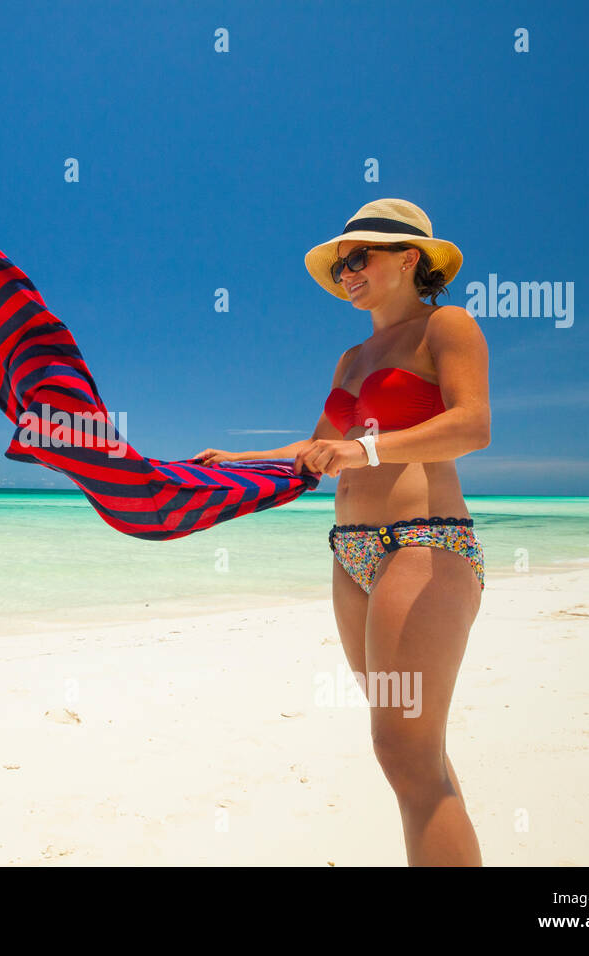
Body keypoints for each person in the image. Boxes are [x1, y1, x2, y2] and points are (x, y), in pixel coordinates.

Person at [195, 199, 490, 866]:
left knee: (403, 753)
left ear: (409, 258)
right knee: (416, 753)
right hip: (350, 555)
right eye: (340, 263)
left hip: (425, 543)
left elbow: (473, 425)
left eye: (359, 257)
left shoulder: (446, 325)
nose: (346, 271)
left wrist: (368, 451)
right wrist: (233, 463)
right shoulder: (351, 358)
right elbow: (321, 448)